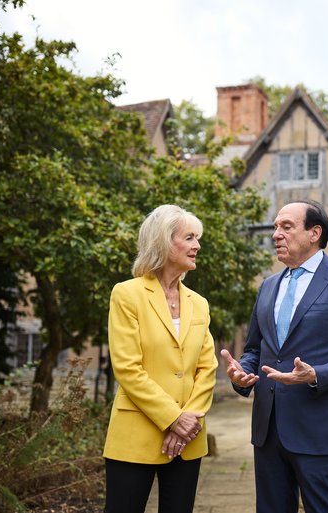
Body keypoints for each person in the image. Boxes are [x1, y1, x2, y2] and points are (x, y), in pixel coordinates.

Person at [221, 199, 328, 513]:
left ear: (314, 233)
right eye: (275, 227)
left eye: (286, 226)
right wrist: (243, 374)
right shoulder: (268, 287)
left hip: (320, 428)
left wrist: (316, 375)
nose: (276, 234)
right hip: (268, 430)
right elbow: (255, 349)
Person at [103, 204, 218, 513]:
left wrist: (188, 421)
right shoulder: (127, 295)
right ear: (165, 242)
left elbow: (207, 368)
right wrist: (173, 418)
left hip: (188, 439)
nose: (198, 246)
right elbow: (128, 368)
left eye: (198, 238)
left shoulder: (200, 304)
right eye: (190, 237)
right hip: (135, 435)